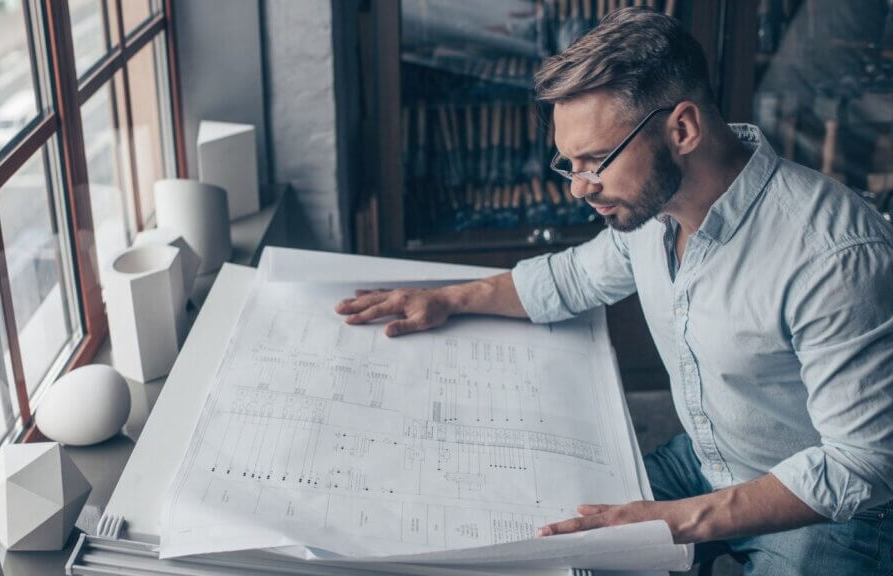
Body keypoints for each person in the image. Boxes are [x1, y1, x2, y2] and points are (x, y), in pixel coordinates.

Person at [335, 8, 893, 574]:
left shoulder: (837, 255)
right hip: (709, 460)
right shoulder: (654, 213)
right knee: (550, 539)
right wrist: (449, 298)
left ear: (682, 130)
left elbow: (862, 463)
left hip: (829, 511)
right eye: (568, 164)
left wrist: (676, 520)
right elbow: (575, 277)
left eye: (596, 161)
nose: (579, 188)